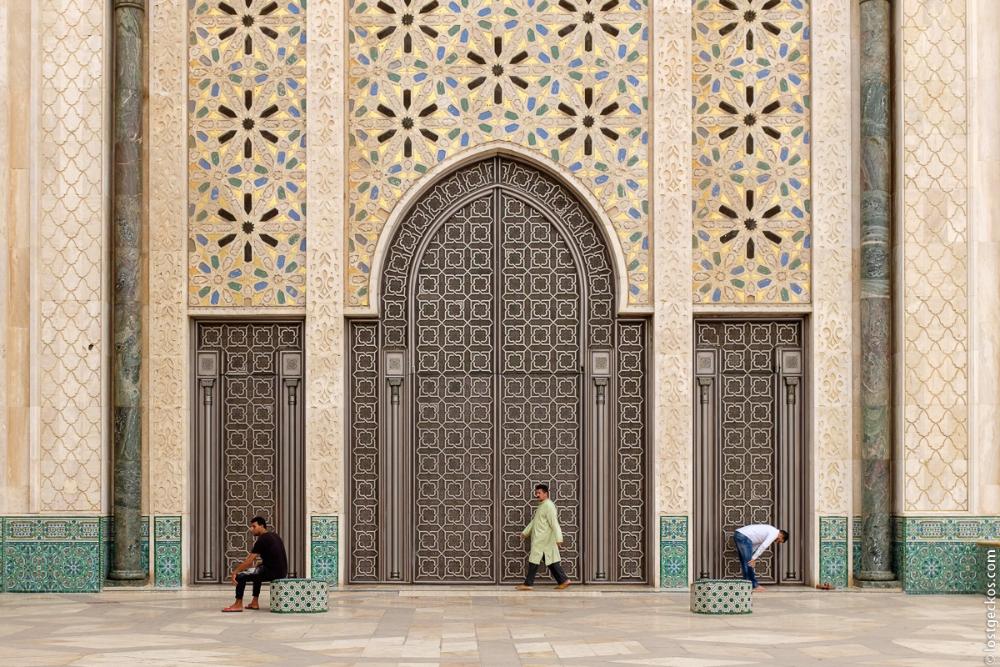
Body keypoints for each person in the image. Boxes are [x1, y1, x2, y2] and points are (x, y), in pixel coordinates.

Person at [222, 516, 288, 612]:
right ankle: (254, 602)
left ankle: (238, 604)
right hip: (281, 572)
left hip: (272, 572)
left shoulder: (262, 539)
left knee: (240, 576)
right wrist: (260, 565)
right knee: (257, 572)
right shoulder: (274, 535)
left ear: (262, 526)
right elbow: (275, 557)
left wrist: (234, 572)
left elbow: (249, 561)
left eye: (254, 526)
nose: (251, 529)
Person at [515, 483, 571, 591]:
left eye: (539, 493)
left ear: (546, 494)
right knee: (551, 562)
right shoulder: (542, 506)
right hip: (541, 540)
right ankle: (563, 580)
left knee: (534, 561)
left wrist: (559, 539)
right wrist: (525, 533)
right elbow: (535, 522)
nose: (537, 495)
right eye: (536, 493)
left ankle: (528, 584)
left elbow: (554, 523)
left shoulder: (549, 506)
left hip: (543, 540)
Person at [733, 523, 788, 592]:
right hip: (744, 536)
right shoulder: (774, 533)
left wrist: (751, 556)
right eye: (779, 541)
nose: (777, 542)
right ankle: (754, 585)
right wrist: (753, 558)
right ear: (781, 535)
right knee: (749, 563)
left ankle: (747, 585)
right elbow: (764, 546)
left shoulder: (770, 530)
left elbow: (756, 545)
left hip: (738, 534)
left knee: (745, 562)